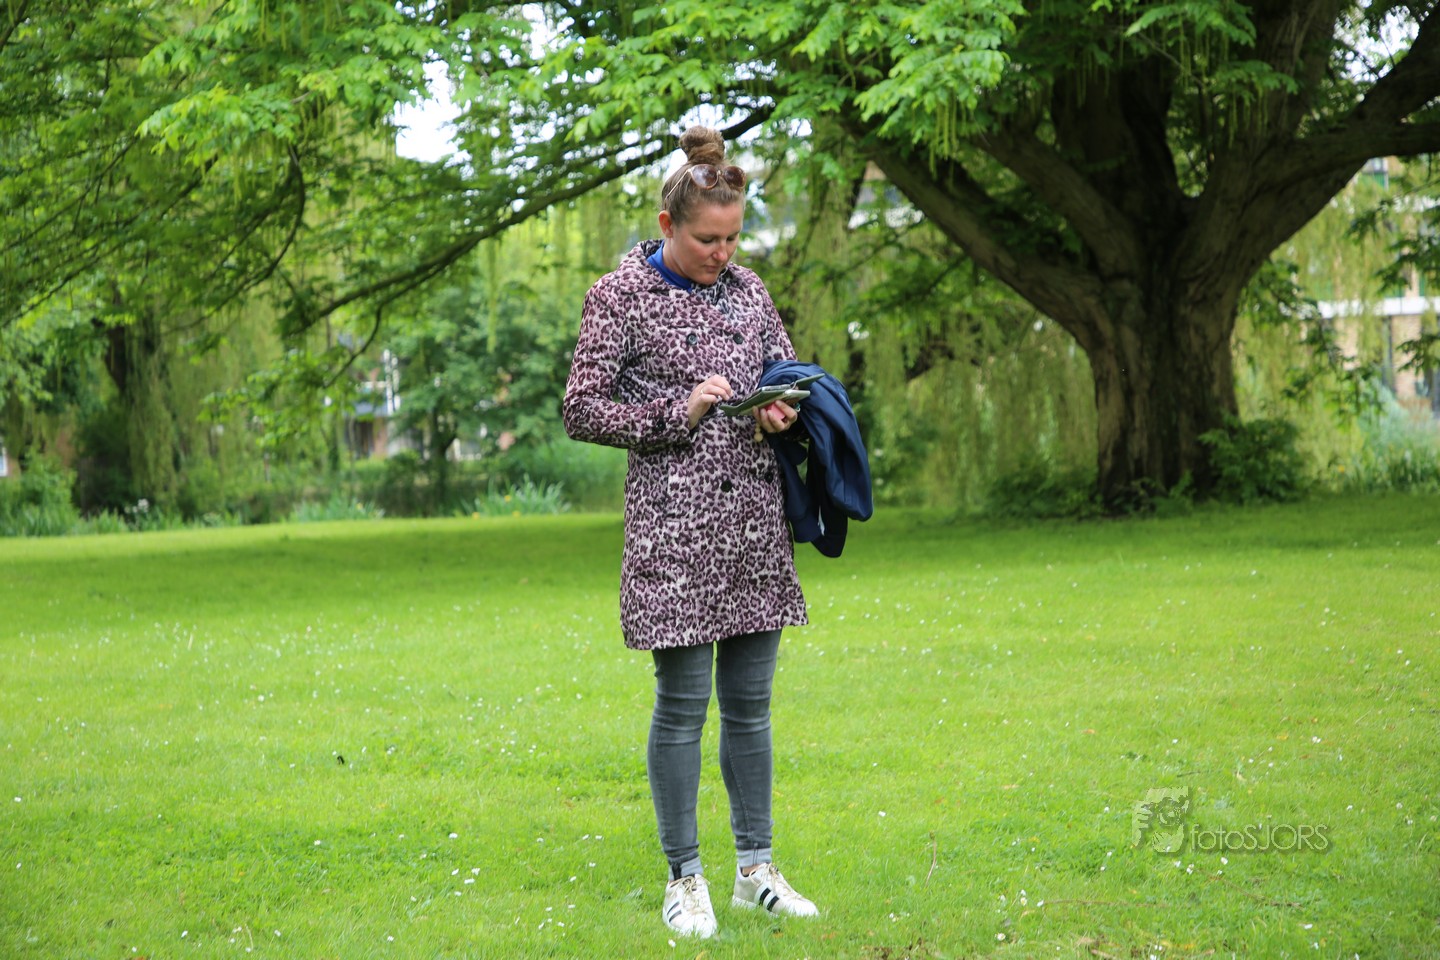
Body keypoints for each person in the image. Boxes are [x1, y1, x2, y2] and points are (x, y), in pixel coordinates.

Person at [562, 125, 818, 939]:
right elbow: (581, 410)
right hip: (674, 534)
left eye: (734, 237)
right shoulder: (617, 296)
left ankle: (756, 872)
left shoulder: (749, 291)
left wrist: (781, 409)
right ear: (668, 224)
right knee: (681, 708)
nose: (723, 253)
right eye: (709, 239)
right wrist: (681, 411)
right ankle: (685, 880)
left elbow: (785, 373)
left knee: (752, 707)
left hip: (753, 526)